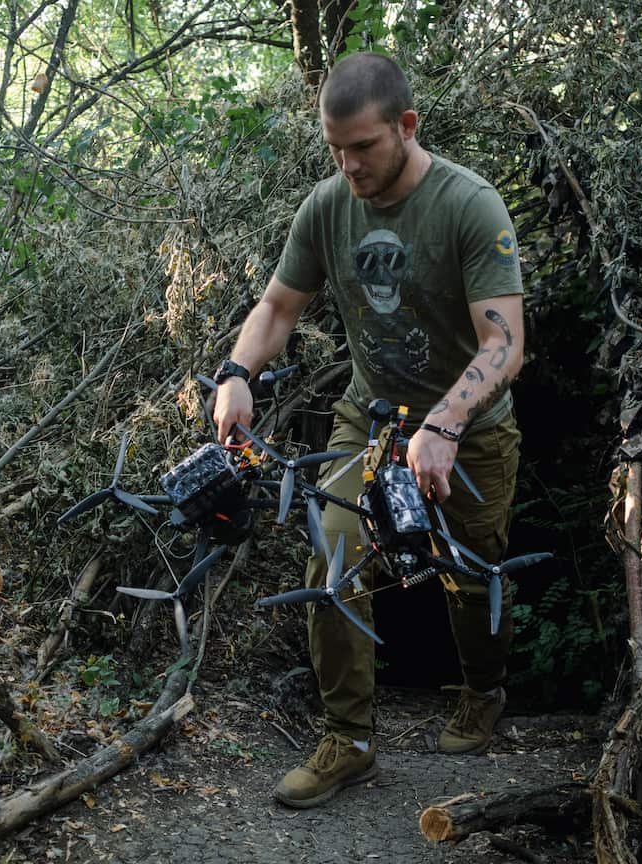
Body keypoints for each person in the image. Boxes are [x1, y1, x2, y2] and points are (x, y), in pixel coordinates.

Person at [212, 52, 525, 809]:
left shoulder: (468, 205)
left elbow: (506, 341)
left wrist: (447, 423)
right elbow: (279, 308)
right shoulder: (326, 207)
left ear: (406, 126)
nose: (348, 165)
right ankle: (348, 739)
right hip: (370, 421)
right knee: (335, 558)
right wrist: (234, 373)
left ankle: (483, 690)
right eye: (335, 149)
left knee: (467, 573)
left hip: (471, 429)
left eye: (363, 147)